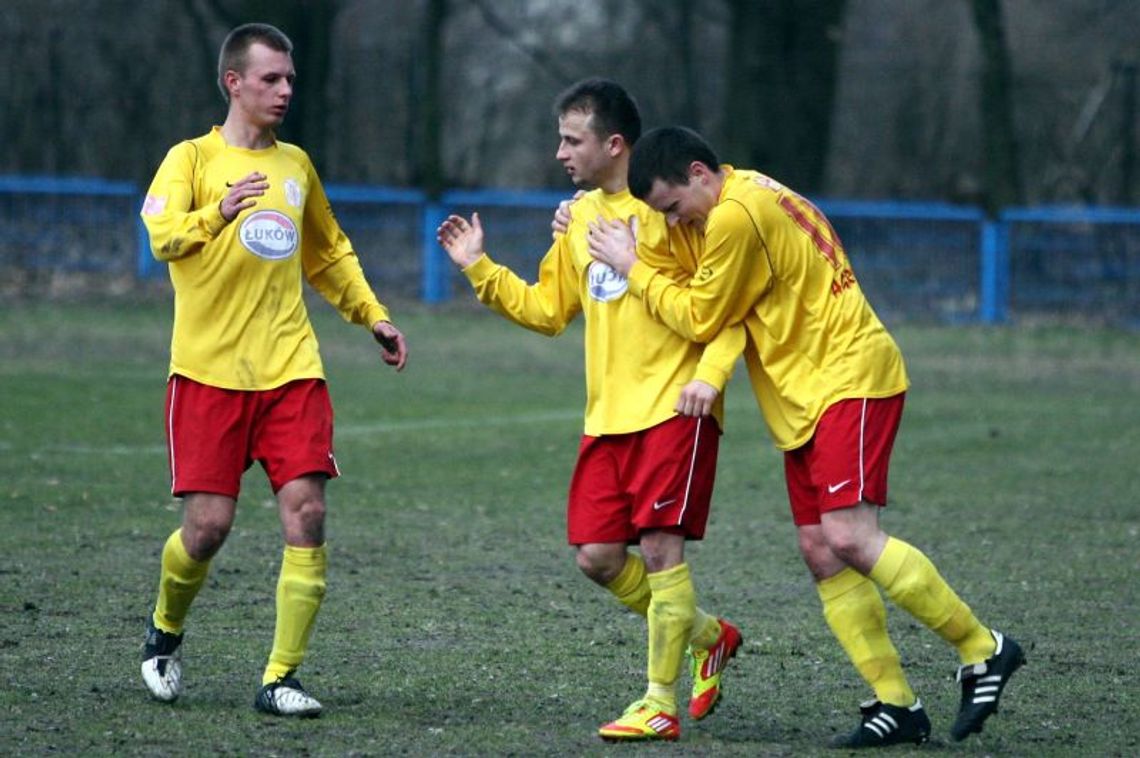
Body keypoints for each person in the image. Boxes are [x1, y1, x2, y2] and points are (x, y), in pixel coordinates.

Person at [585, 126, 1025, 748]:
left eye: (674, 208)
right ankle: (896, 704)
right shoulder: (740, 197)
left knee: (849, 534)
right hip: (808, 394)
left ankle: (983, 648)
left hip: (848, 377)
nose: (674, 222)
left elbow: (704, 315)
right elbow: (706, 288)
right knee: (821, 549)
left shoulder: (737, 215)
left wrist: (632, 266)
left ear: (698, 174)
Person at [435, 79, 742, 743]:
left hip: (675, 409)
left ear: (613, 143)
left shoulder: (673, 209)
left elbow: (724, 309)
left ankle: (659, 702)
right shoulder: (575, 220)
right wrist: (479, 267)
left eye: (571, 140)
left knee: (663, 551)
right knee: (598, 557)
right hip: (607, 419)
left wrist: (711, 381)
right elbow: (549, 311)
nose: (559, 153)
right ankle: (709, 637)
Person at [138, 22, 408, 718]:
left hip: (292, 370)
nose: (286, 90)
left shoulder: (297, 167)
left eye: (289, 79)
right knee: (207, 528)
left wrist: (372, 314)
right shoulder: (189, 159)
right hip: (206, 373)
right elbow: (161, 234)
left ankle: (280, 676)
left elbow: (329, 253)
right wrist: (216, 214)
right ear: (234, 83)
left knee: (308, 511)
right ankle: (165, 629)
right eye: (271, 79)